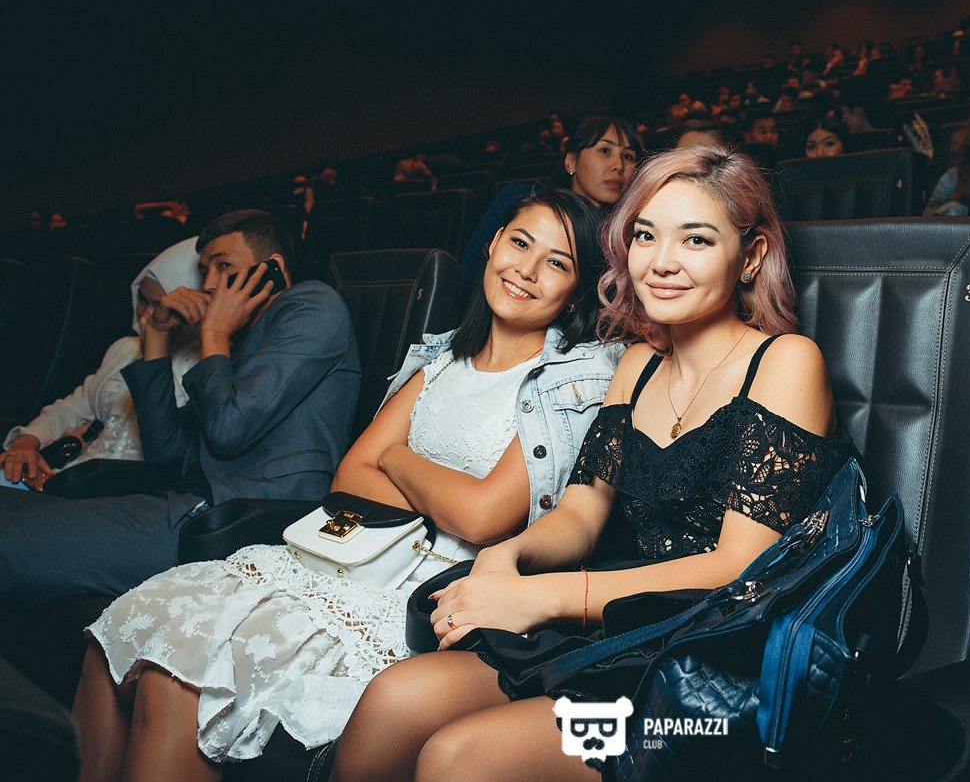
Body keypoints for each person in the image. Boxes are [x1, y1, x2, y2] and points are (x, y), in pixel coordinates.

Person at [331, 147, 855, 782]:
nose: (661, 262)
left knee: (458, 759)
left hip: (715, 662)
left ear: (750, 257)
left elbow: (737, 567)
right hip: (618, 625)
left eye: (695, 239)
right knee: (392, 700)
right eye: (645, 236)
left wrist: (542, 597)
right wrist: (505, 556)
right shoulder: (636, 365)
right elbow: (581, 513)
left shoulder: (785, 360)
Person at [73, 191, 622, 781]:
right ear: (493, 244)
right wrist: (437, 490)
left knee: (181, 676)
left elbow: (484, 516)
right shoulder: (440, 359)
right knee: (131, 638)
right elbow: (352, 478)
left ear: (577, 288)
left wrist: (397, 458)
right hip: (351, 550)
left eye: (557, 262)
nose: (527, 270)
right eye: (519, 243)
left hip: (427, 589)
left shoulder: (573, 380)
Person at [0, 210, 362, 605]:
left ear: (271, 268)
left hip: (233, 517)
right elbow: (165, 450)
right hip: (184, 500)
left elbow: (229, 430)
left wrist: (214, 332)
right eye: (205, 270)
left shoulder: (311, 306)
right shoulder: (246, 338)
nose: (209, 284)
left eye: (224, 266)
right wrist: (156, 338)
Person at [1, 238, 203, 492]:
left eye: (162, 307)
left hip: (125, 492)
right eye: (143, 300)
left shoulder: (204, 365)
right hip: (71, 476)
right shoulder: (124, 348)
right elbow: (70, 409)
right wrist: (27, 442)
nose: (147, 315)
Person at [460, 115, 642, 290]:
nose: (619, 165)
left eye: (628, 156)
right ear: (571, 162)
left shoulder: (628, 234)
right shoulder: (518, 200)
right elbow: (470, 272)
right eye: (605, 151)